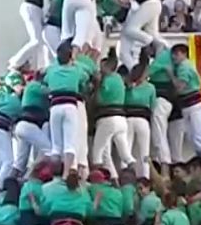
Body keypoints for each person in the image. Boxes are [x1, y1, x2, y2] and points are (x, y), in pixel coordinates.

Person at [43, 42, 89, 176]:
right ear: (71, 57)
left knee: (56, 146)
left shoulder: (52, 70)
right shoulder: (76, 70)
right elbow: (86, 77)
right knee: (70, 144)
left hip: (55, 106)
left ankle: (54, 175)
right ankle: (66, 174)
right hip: (70, 106)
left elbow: (45, 80)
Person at [168, 44, 201, 171]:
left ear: (183, 53)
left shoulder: (184, 67)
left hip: (194, 106)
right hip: (188, 106)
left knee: (199, 137)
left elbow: (180, 86)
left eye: (176, 54)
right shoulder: (185, 66)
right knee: (192, 138)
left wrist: (171, 75)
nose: (174, 57)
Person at [91, 55, 133, 178]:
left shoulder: (106, 80)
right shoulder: (119, 79)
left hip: (107, 118)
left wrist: (97, 85)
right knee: (126, 155)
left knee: (97, 154)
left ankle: (97, 183)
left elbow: (98, 100)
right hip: (121, 119)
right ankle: (135, 179)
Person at [12, 72, 51, 176]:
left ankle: (8, 183)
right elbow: (50, 92)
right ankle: (29, 176)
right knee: (48, 150)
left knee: (20, 162)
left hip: (22, 126)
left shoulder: (30, 89)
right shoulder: (34, 85)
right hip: (29, 125)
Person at [123, 63, 156, 181]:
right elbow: (153, 107)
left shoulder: (127, 88)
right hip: (143, 120)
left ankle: (125, 176)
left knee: (126, 150)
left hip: (128, 119)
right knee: (144, 152)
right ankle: (145, 177)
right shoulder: (150, 87)